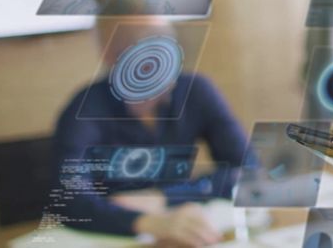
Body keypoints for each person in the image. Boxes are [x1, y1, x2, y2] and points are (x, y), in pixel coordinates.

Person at [49, 14, 248, 247]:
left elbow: (249, 171)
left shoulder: (197, 91)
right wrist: (147, 222)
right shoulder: (84, 110)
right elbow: (69, 200)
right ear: (110, 56)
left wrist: (165, 197)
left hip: (188, 233)